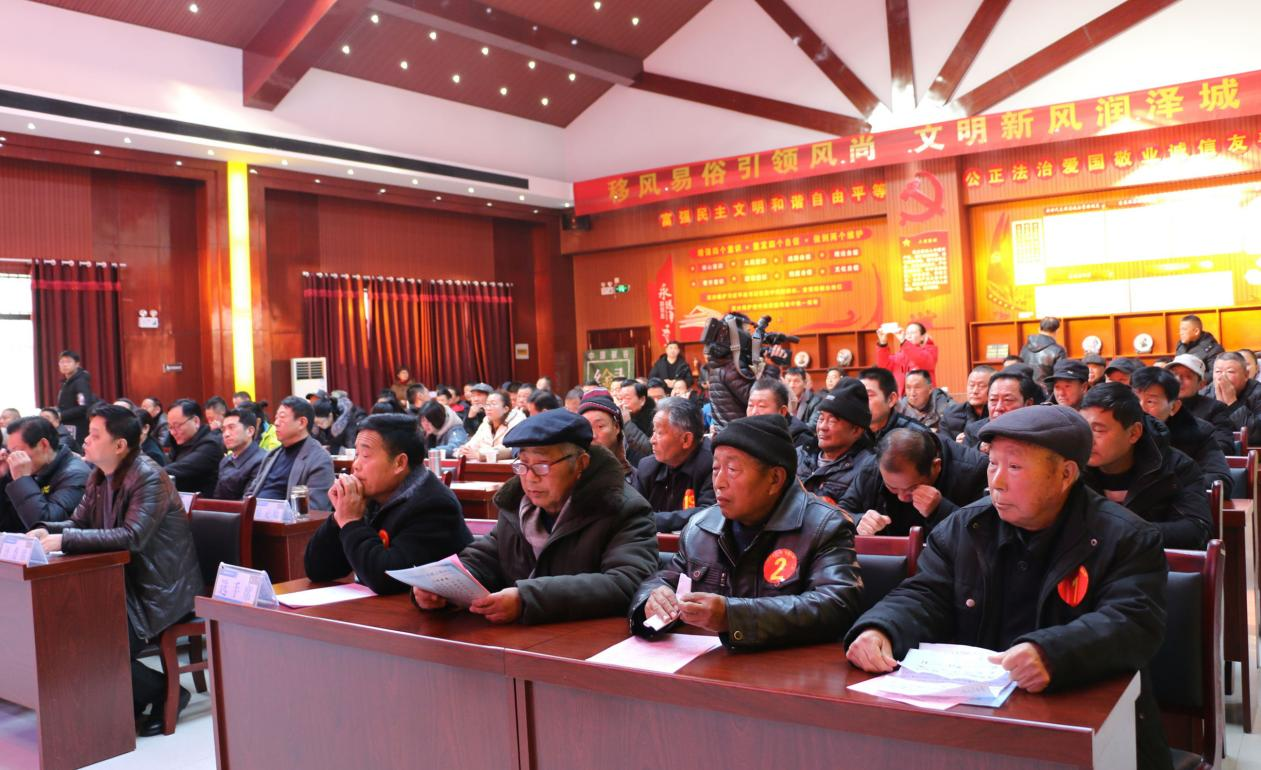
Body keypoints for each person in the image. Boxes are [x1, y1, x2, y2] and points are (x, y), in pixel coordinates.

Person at [844, 406, 1172, 770]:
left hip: (1088, 728)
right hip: (978, 722)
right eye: (992, 464)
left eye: (1014, 467)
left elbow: (1132, 622)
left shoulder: (1126, 537)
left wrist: (1052, 652)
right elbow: (925, 593)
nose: (996, 482)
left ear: (1065, 474)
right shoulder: (965, 527)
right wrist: (882, 627)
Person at [29, 404, 202, 736]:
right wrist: (46, 531)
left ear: (120, 445)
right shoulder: (99, 475)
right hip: (120, 583)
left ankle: (166, 692)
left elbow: (132, 537)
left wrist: (64, 539)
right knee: (68, 632)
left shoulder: (149, 476)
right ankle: (126, 698)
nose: (85, 441)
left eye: (95, 435)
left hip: (159, 591)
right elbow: (79, 524)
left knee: (95, 642)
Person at [631, 414, 862, 649]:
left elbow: (836, 604)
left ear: (774, 479)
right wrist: (651, 599)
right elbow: (666, 579)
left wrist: (732, 617)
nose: (719, 482)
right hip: (709, 661)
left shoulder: (824, 526)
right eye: (715, 469)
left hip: (788, 665)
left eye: (732, 469)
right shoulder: (701, 526)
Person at [411, 410, 658, 624]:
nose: (530, 478)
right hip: (519, 640)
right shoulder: (516, 505)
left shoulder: (622, 508)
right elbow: (489, 555)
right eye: (522, 465)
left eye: (541, 465)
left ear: (581, 464)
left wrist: (527, 599)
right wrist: (440, 586)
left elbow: (627, 583)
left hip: (589, 645)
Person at [305, 414, 472, 594]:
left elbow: (387, 579)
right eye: (356, 454)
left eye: (366, 455)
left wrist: (350, 521)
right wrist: (339, 515)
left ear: (399, 463)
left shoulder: (434, 505)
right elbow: (318, 570)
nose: (356, 465)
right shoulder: (371, 496)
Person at [1079, 383, 1211, 549]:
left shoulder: (1176, 467)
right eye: (1084, 428)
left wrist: (1124, 532)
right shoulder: (1071, 468)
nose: (1088, 439)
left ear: (1134, 433)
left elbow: (1196, 530)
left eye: (1099, 430)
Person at [839, 427, 988, 537]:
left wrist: (940, 510)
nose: (902, 497)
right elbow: (840, 512)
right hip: (886, 560)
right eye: (892, 488)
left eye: (912, 488)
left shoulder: (974, 471)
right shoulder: (873, 467)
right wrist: (859, 521)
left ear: (936, 466)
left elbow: (985, 536)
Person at [1131, 366, 1231, 497]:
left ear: (1173, 407)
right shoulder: (1119, 430)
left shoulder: (1198, 432)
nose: (1140, 408)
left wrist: (1164, 486)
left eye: (1151, 401)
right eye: (1134, 400)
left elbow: (1220, 481)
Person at [633, 397, 716, 533]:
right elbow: (633, 513)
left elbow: (709, 513)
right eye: (653, 432)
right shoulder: (647, 467)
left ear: (686, 439)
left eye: (659, 433)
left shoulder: (713, 464)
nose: (652, 440)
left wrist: (653, 520)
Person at [244, 396, 335, 510]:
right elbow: (251, 492)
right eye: (276, 418)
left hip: (283, 520)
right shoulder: (272, 455)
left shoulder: (319, 459)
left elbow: (314, 509)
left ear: (301, 422)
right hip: (254, 516)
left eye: (282, 417)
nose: (276, 423)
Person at [0, 416, 89, 533]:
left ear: (43, 445)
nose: (12, 457)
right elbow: (7, 524)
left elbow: (45, 525)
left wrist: (22, 480)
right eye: (9, 451)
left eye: (16, 451)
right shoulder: (34, 469)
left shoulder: (75, 474)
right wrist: (3, 477)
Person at [796, 380, 874, 504]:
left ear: (856, 430)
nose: (822, 427)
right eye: (821, 418)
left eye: (832, 421)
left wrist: (830, 509)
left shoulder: (868, 468)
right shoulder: (801, 453)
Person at [1167, 354, 1235, 454]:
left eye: (1187, 376)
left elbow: (1224, 445)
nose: (1178, 380)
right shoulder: (1157, 405)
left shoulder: (1215, 408)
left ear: (1201, 384)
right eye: (1173, 375)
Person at [961, 370, 1040, 450]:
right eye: (993, 400)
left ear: (1028, 404)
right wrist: (980, 448)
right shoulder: (973, 431)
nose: (998, 407)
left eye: (1007, 400)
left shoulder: (1039, 432)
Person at [164, 399, 224, 497]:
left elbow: (180, 468)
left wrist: (150, 473)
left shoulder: (211, 445)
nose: (173, 432)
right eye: (170, 427)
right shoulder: (178, 444)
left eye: (177, 426)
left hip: (203, 504)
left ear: (196, 421)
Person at [577, 389, 635, 478]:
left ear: (616, 427)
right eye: (586, 427)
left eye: (600, 426)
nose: (593, 435)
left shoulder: (637, 478)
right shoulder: (571, 478)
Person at [746, 377, 816, 450]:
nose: (754, 412)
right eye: (750, 405)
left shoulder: (798, 437)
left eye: (761, 406)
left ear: (782, 411)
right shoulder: (745, 431)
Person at [212, 408, 266, 500]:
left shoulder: (262, 460)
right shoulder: (225, 460)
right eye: (223, 429)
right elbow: (217, 499)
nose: (226, 434)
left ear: (250, 431)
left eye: (231, 427)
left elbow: (248, 502)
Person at [858, 367, 923, 443]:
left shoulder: (916, 435)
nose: (861, 400)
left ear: (891, 399)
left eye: (869, 395)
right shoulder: (853, 431)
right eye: (858, 395)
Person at [1212, 351, 1261, 445]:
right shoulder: (1207, 392)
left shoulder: (1258, 393)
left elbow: (1256, 437)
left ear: (1246, 375)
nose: (1222, 377)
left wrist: (1232, 403)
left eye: (1230, 372)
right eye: (1218, 372)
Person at [458, 390, 523, 460]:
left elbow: (512, 448)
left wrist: (480, 454)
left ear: (505, 409)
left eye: (493, 404)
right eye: (487, 404)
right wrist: (464, 451)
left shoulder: (517, 420)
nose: (488, 408)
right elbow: (474, 443)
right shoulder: (486, 421)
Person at [876, 321, 938, 393]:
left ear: (922, 337)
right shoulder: (900, 355)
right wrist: (882, 343)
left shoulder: (930, 351)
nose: (909, 336)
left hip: (924, 397)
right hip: (901, 398)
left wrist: (904, 342)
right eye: (907, 333)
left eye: (913, 332)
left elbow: (919, 358)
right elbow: (884, 366)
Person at [56, 350, 97, 446]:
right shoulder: (66, 382)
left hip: (78, 426)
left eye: (68, 362)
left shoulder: (80, 381)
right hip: (68, 424)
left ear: (77, 364)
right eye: (62, 362)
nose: (64, 365)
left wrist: (60, 415)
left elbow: (84, 407)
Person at [940, 365, 992, 438]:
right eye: (971, 385)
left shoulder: (998, 415)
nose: (974, 391)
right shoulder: (950, 414)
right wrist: (955, 444)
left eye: (981, 386)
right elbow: (943, 443)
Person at [1018, 316, 1066, 384]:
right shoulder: (1058, 350)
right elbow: (1061, 375)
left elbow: (1020, 369)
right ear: (1057, 331)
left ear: (1039, 329)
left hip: (1027, 387)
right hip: (1047, 389)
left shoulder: (1025, 347)